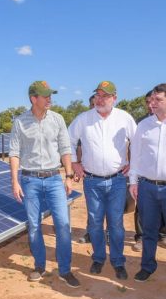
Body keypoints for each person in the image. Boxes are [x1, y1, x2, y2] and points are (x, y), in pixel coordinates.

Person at [9, 80, 80, 288]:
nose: (50, 98)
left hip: (54, 179)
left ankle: (65, 270)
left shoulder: (57, 119)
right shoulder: (20, 122)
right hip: (29, 180)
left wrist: (68, 176)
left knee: (63, 225)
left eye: (50, 95)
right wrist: (14, 181)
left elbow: (65, 149)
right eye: (45, 95)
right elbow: (13, 153)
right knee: (34, 226)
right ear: (34, 98)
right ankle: (39, 265)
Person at [68, 81, 136, 280]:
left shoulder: (125, 118)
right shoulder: (83, 119)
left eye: (104, 96)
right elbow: (68, 141)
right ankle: (98, 258)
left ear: (114, 98)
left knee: (116, 223)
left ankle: (118, 261)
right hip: (92, 181)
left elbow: (138, 142)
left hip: (117, 181)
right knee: (95, 223)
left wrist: (133, 163)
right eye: (97, 95)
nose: (100, 99)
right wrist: (75, 163)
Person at [129, 83, 166, 282]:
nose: (152, 104)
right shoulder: (144, 125)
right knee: (149, 231)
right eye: (151, 100)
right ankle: (147, 266)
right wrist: (133, 182)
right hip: (147, 187)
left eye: (158, 100)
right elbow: (135, 156)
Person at [77, 94, 108, 245]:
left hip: (112, 175)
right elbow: (78, 146)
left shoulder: (112, 120)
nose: (94, 105)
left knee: (111, 209)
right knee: (93, 208)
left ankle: (107, 233)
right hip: (90, 175)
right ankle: (91, 233)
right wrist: (77, 165)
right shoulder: (84, 121)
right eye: (92, 103)